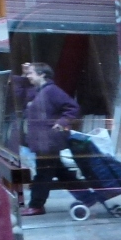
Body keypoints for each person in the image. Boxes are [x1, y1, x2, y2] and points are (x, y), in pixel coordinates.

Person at [17, 62, 81, 216]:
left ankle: (36, 205)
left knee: (43, 174)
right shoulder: (38, 91)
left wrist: (62, 123)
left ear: (42, 74)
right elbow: (20, 95)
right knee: (61, 172)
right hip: (43, 141)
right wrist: (24, 75)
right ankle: (88, 196)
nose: (29, 76)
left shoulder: (52, 91)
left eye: (31, 73)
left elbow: (73, 107)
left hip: (48, 141)